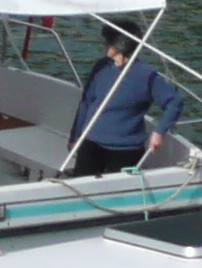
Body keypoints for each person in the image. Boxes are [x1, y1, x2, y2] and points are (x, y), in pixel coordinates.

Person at [70, 19, 184, 177]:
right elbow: (86, 102)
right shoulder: (100, 67)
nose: (104, 45)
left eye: (108, 41)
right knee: (80, 184)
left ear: (121, 45)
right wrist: (75, 136)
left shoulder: (146, 74)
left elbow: (174, 103)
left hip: (125, 148)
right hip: (91, 141)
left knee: (119, 192)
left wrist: (159, 131)